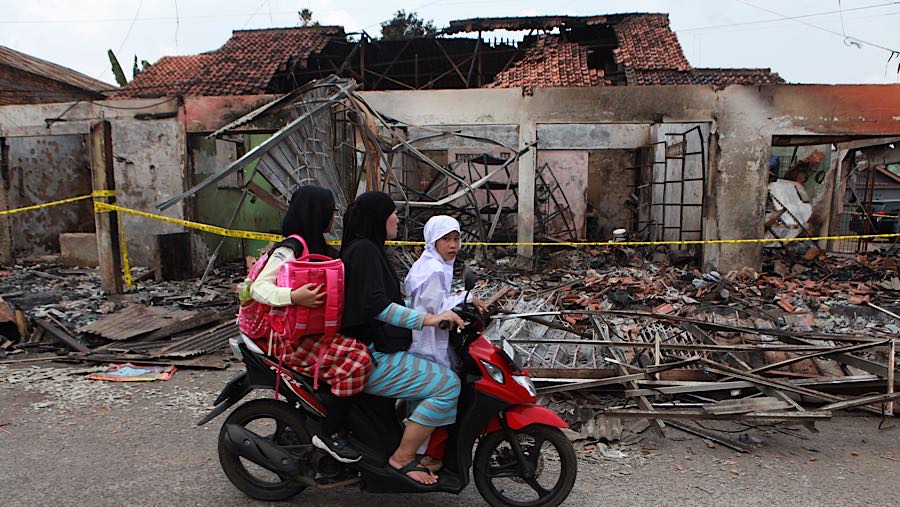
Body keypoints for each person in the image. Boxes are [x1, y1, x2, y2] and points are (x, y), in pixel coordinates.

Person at [340, 191, 465, 485]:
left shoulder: (368, 249)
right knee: (448, 385)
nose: (397, 218)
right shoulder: (365, 252)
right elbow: (377, 306)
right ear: (378, 218)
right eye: (392, 213)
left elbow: (392, 302)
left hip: (375, 345)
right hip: (370, 354)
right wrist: (428, 319)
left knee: (432, 374)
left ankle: (412, 444)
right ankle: (403, 458)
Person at [247, 185, 372, 464]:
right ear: (317, 214)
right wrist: (294, 296)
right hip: (288, 336)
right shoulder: (290, 248)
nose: (333, 217)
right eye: (330, 212)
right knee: (358, 360)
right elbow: (258, 288)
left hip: (312, 331)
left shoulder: (319, 246)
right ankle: (330, 433)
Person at [403, 215, 487, 471]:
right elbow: (432, 310)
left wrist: (466, 298)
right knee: (441, 392)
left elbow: (438, 302)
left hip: (427, 338)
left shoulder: (433, 263)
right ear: (433, 241)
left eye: (456, 238)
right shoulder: (434, 270)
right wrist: (464, 302)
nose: (453, 245)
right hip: (426, 341)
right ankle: (422, 454)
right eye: (446, 240)